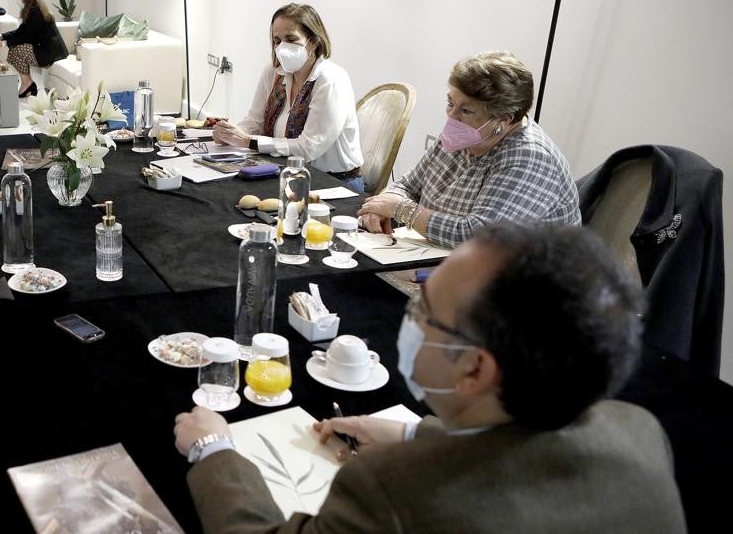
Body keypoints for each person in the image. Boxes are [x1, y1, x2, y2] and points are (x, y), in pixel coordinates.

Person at [173, 223, 686, 533]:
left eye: (424, 309)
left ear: (475, 368)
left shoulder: (392, 494)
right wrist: (413, 431)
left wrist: (213, 451)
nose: (410, 319)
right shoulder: (637, 430)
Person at [358, 51, 580, 247]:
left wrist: (401, 210)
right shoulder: (462, 134)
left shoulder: (530, 158)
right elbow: (408, 186)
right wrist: (379, 208)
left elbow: (478, 237)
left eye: (466, 110)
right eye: (450, 103)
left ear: (504, 119)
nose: (452, 117)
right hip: (446, 259)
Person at [209, 4, 365, 192]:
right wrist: (230, 134)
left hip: (334, 184)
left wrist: (248, 141)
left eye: (291, 39)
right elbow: (255, 121)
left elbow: (308, 148)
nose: (282, 47)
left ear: (314, 41)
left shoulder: (331, 80)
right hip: (284, 172)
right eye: (277, 41)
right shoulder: (274, 71)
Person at [0, 0, 68, 97]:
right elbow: (20, 31)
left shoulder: (35, 12)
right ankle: (27, 83)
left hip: (51, 53)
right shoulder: (32, 9)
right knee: (14, 49)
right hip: (45, 49)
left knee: (16, 50)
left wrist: (2, 44)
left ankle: (27, 83)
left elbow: (26, 37)